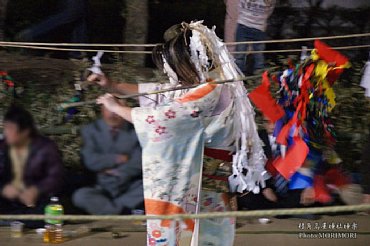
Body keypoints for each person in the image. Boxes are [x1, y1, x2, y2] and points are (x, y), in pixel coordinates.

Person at [89, 22, 267, 246]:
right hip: (198, 182)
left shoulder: (212, 88)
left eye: (175, 65)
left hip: (207, 185)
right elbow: (155, 91)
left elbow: (163, 117)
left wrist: (116, 108)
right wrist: (111, 85)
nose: (171, 73)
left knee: (203, 240)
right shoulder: (201, 84)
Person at [72, 103, 143, 215]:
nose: (113, 114)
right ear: (102, 111)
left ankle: (111, 211)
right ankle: (119, 212)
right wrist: (116, 158)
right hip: (101, 186)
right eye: (109, 110)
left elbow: (139, 162)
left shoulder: (137, 131)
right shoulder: (91, 130)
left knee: (145, 190)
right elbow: (90, 160)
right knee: (81, 196)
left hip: (130, 183)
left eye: (116, 110)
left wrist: (118, 172)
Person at [0, 105, 64, 228]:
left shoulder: (46, 148)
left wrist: (36, 190)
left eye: (10, 129)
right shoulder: (2, 148)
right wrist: (3, 189)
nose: (6, 132)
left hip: (36, 201)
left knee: (51, 210)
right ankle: (16, 221)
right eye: (5, 128)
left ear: (25, 131)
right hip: (9, 200)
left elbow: (56, 177)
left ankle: (17, 222)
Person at [234, 0, 276, 74]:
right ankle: (238, 78)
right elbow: (239, 5)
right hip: (243, 24)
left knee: (259, 56)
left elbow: (270, 9)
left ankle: (259, 79)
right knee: (239, 55)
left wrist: (261, 20)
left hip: (259, 27)